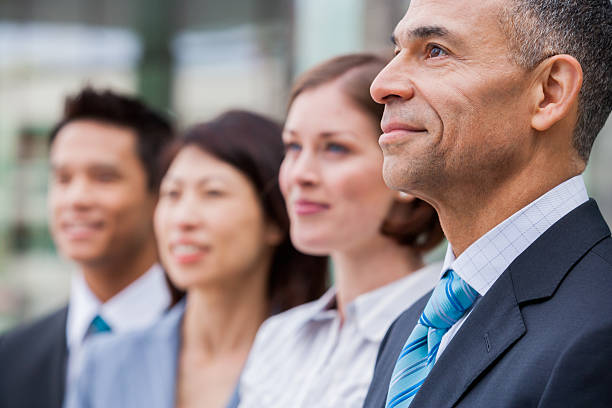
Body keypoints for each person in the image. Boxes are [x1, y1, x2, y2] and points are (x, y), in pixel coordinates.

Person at [363, 0, 612, 407]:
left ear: (550, 92)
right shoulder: (410, 330)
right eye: (396, 52)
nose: (382, 84)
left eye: (435, 51)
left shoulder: (599, 330)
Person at [66, 110, 328, 408]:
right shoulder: (105, 364)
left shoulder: (320, 361)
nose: (183, 219)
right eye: (172, 194)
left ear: (276, 220)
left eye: (213, 193)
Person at [238, 54, 445, 408]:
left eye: (335, 148)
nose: (300, 174)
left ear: (404, 166)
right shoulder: (279, 337)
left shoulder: (444, 333)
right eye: (293, 147)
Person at [0, 87, 178, 408]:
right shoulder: (9, 359)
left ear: (160, 193)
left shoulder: (211, 352)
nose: (76, 199)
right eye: (63, 179)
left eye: (104, 177)